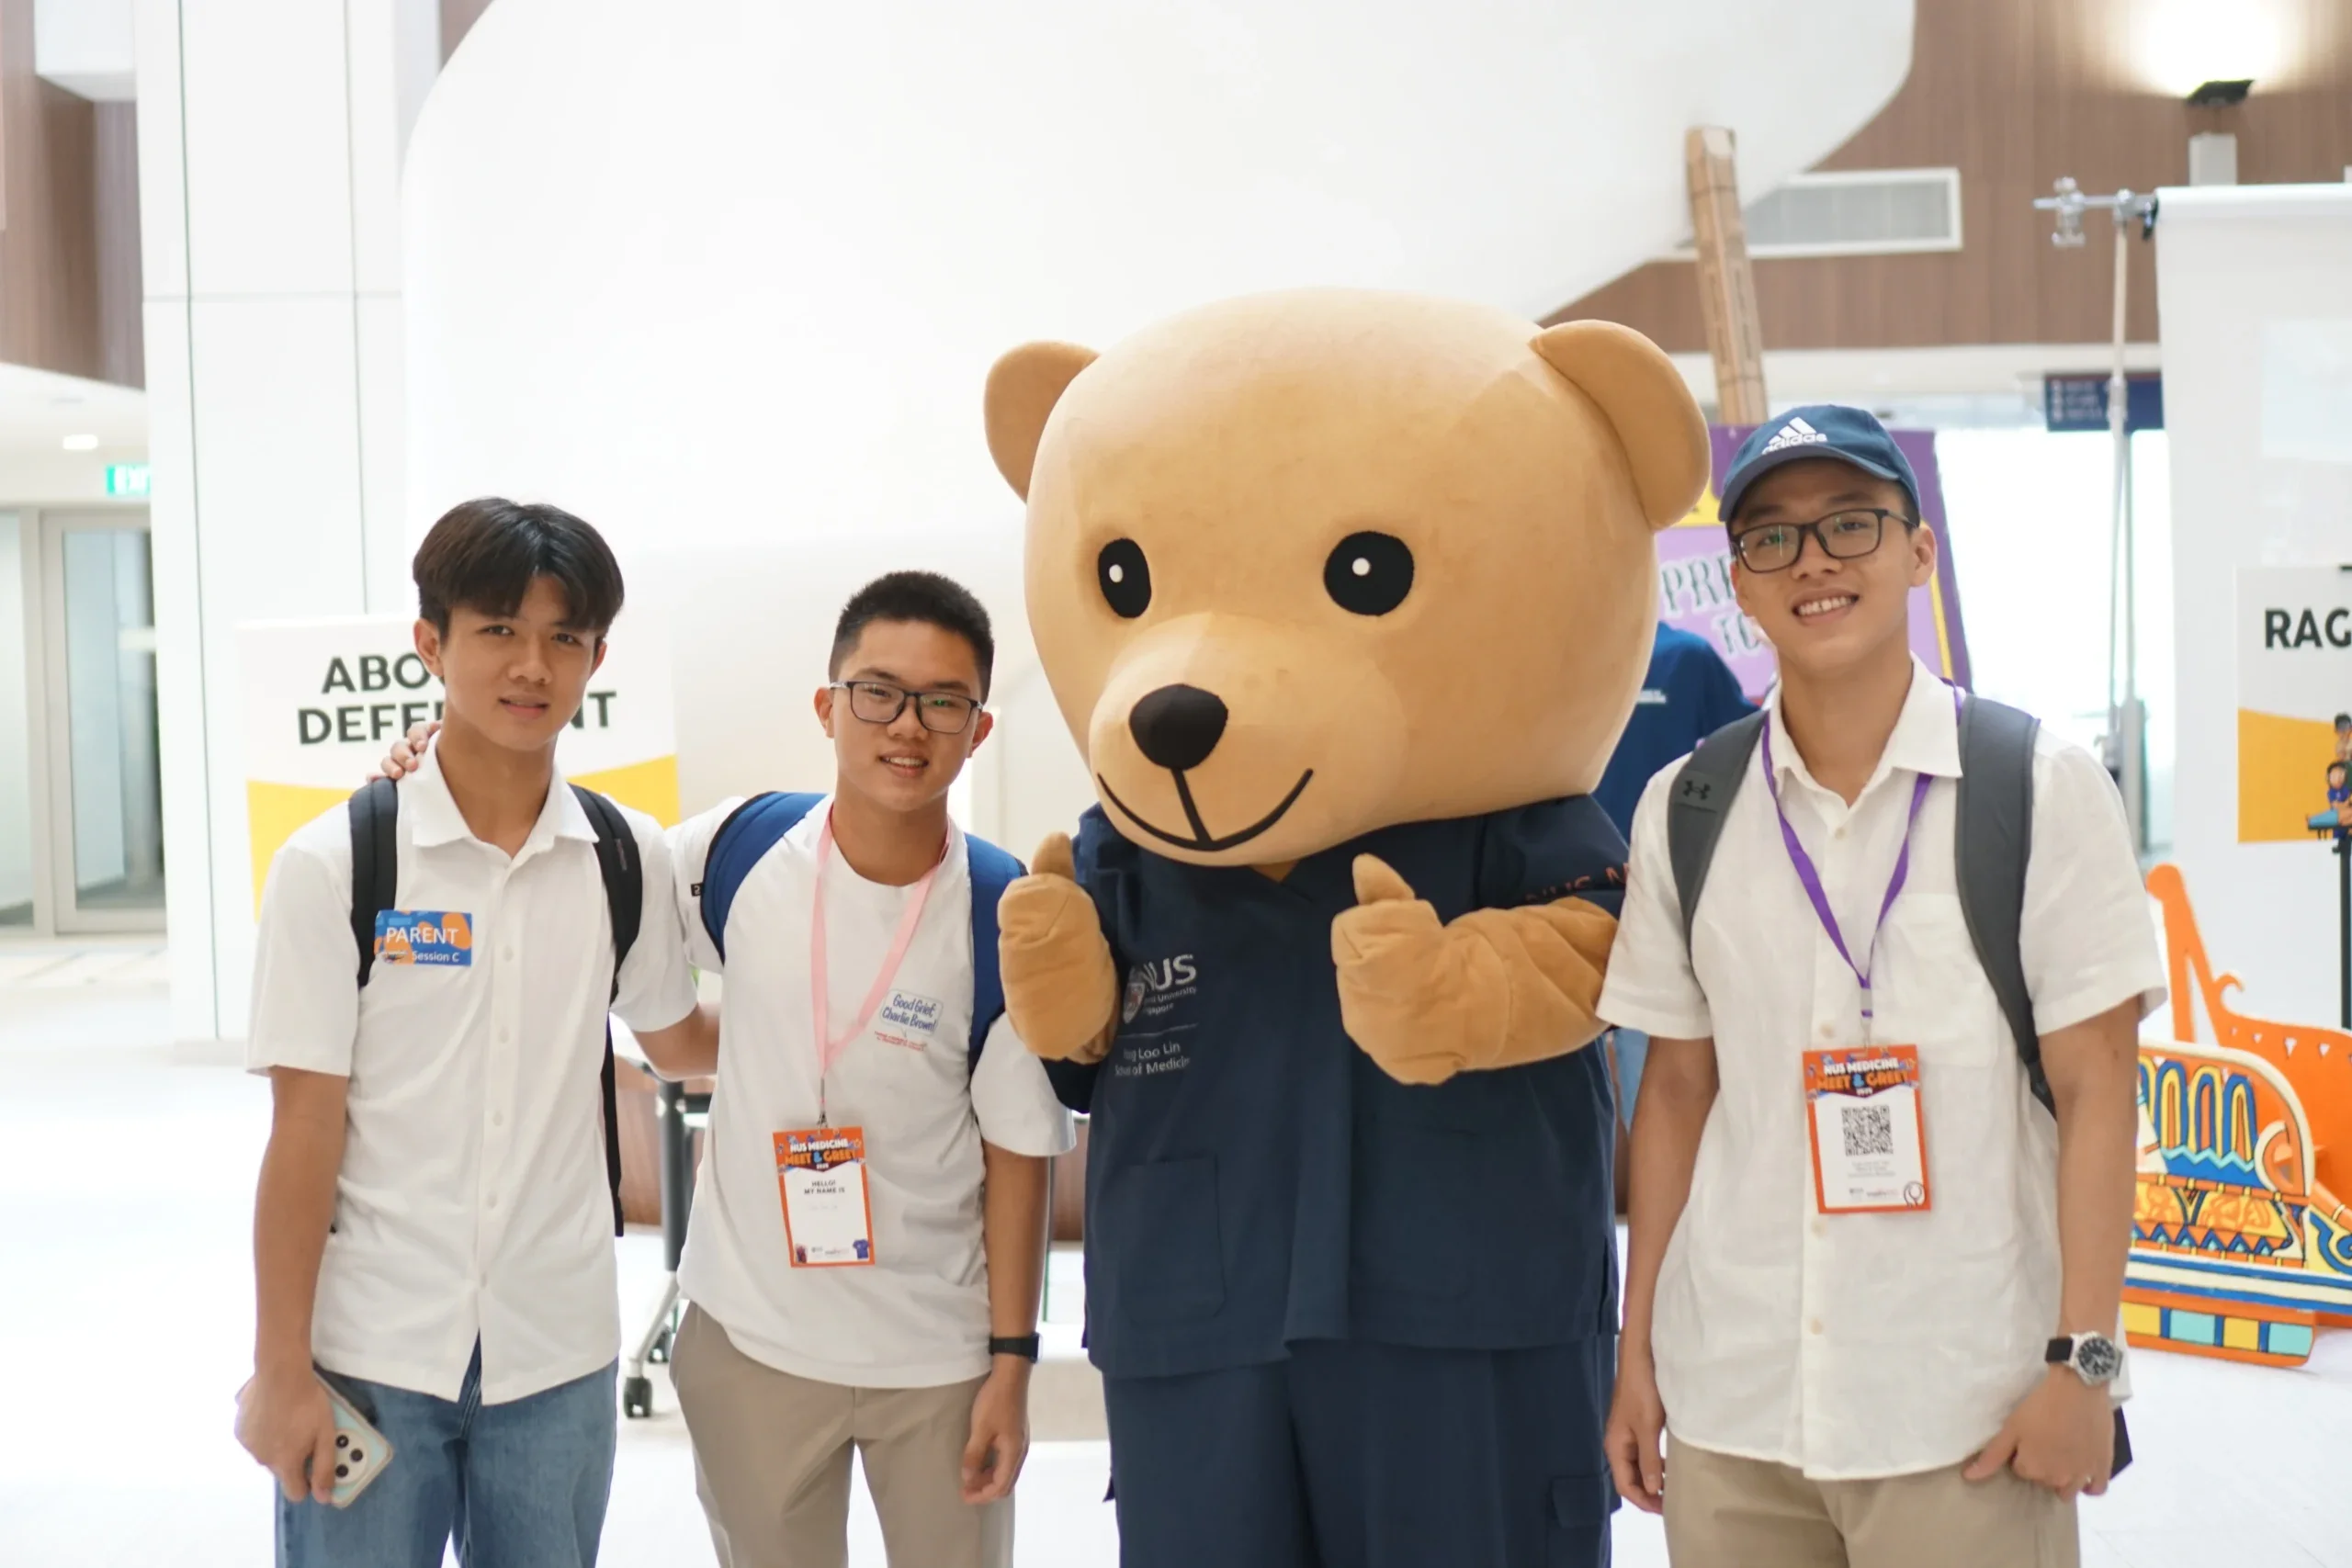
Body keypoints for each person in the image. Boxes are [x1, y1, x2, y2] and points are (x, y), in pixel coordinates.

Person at [386, 570, 1071, 1568]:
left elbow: (1019, 1155)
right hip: (750, 1340)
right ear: (827, 707)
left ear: (979, 729)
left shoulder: (998, 908)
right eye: (878, 692)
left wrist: (1012, 1362)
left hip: (938, 1353)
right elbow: (567, 860)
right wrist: (430, 762)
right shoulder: (738, 850)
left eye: (943, 702)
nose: (906, 725)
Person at [1597, 407, 2164, 1568]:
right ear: (1738, 584)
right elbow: (1676, 1094)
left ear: (1917, 551)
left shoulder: (2038, 788)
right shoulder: (1684, 808)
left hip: (1967, 1410)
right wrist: (1635, 1351)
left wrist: (2088, 1366)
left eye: (1849, 523)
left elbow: (2100, 1091)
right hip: (1736, 1405)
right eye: (1772, 538)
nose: (1812, 561)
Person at [237, 499, 712, 1568]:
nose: (531, 665)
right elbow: (301, 1133)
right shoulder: (334, 866)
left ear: (596, 657)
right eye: (499, 629)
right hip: (371, 1352)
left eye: (563, 637)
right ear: (431, 641)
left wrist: (855, 1018)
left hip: (556, 1356)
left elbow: (679, 1044)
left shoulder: (622, 857)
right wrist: (280, 1369)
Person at [1592, 621, 1755, 1144]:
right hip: (1567, 896)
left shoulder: (1685, 657)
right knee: (1573, 1077)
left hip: (1661, 893)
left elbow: (1751, 751)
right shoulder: (1552, 662)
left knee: (1656, 1065)